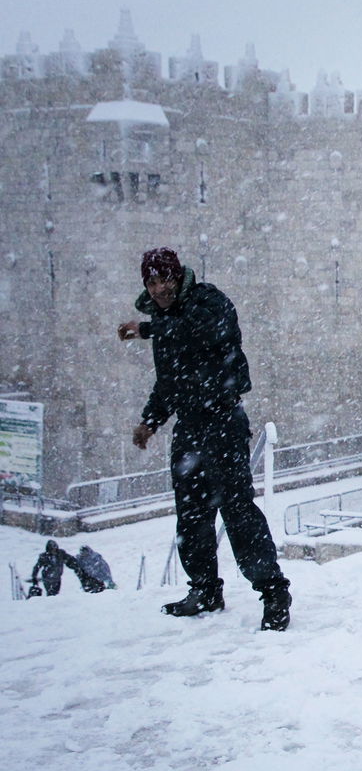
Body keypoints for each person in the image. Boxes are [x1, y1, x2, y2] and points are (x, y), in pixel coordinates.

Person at [118, 247, 292, 631]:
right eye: (151, 282)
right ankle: (205, 589)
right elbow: (170, 380)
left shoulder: (208, 301)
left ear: (179, 277)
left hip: (223, 422)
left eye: (165, 279)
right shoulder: (163, 320)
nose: (160, 288)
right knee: (191, 516)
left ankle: (274, 593)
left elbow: (204, 331)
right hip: (190, 427)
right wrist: (150, 422)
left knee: (238, 512)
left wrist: (146, 328)